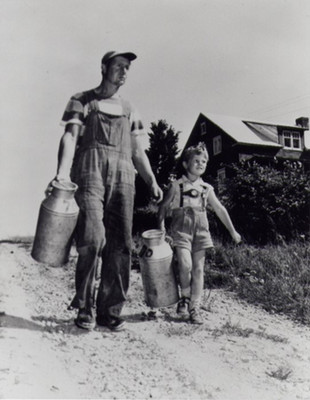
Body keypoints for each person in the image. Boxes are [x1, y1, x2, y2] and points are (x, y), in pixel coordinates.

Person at [47, 51, 163, 331]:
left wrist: (152, 180)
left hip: (124, 177)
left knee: (121, 244)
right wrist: (62, 173)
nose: (124, 72)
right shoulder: (82, 100)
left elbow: (138, 151)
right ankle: (85, 306)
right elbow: (70, 136)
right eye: (118, 66)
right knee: (92, 238)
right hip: (89, 173)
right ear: (103, 68)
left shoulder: (130, 108)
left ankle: (110, 311)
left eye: (127, 68)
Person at [157, 142, 241, 324]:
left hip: (201, 231)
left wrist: (232, 231)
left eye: (204, 161)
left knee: (198, 269)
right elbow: (163, 207)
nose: (201, 164)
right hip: (181, 230)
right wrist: (161, 227)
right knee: (185, 265)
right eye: (196, 160)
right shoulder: (176, 185)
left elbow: (219, 209)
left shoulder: (207, 189)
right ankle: (185, 297)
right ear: (186, 164)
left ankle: (195, 307)